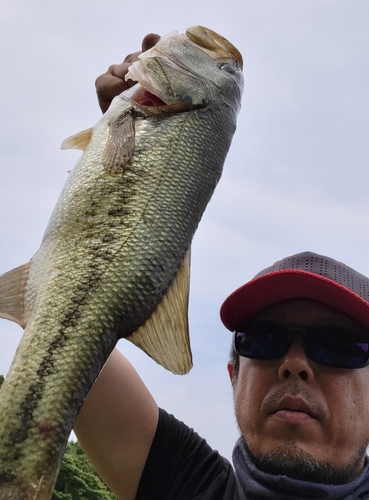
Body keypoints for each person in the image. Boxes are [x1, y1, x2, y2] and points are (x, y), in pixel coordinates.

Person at [74, 36, 369, 500]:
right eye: (264, 341)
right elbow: (69, 337)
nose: (294, 365)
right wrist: (120, 168)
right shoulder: (192, 486)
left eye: (338, 347)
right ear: (235, 378)